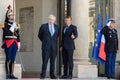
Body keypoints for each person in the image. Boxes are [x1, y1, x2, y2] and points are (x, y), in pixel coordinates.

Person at [38, 15, 59, 79]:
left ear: (54, 20)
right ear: (48, 19)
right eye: (50, 19)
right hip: (46, 47)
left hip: (54, 47)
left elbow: (56, 36)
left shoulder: (56, 27)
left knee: (53, 62)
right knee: (45, 61)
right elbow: (39, 35)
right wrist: (45, 41)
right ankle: (43, 75)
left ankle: (52, 75)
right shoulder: (43, 26)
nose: (51, 21)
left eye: (52, 20)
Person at [2, 12, 21, 79]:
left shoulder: (16, 24)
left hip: (14, 42)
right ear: (8, 16)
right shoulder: (4, 24)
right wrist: (12, 27)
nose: (12, 16)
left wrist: (19, 43)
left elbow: (18, 34)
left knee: (13, 59)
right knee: (8, 58)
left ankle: (11, 74)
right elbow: (7, 32)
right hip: (8, 42)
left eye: (13, 15)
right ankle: (7, 74)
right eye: (11, 15)